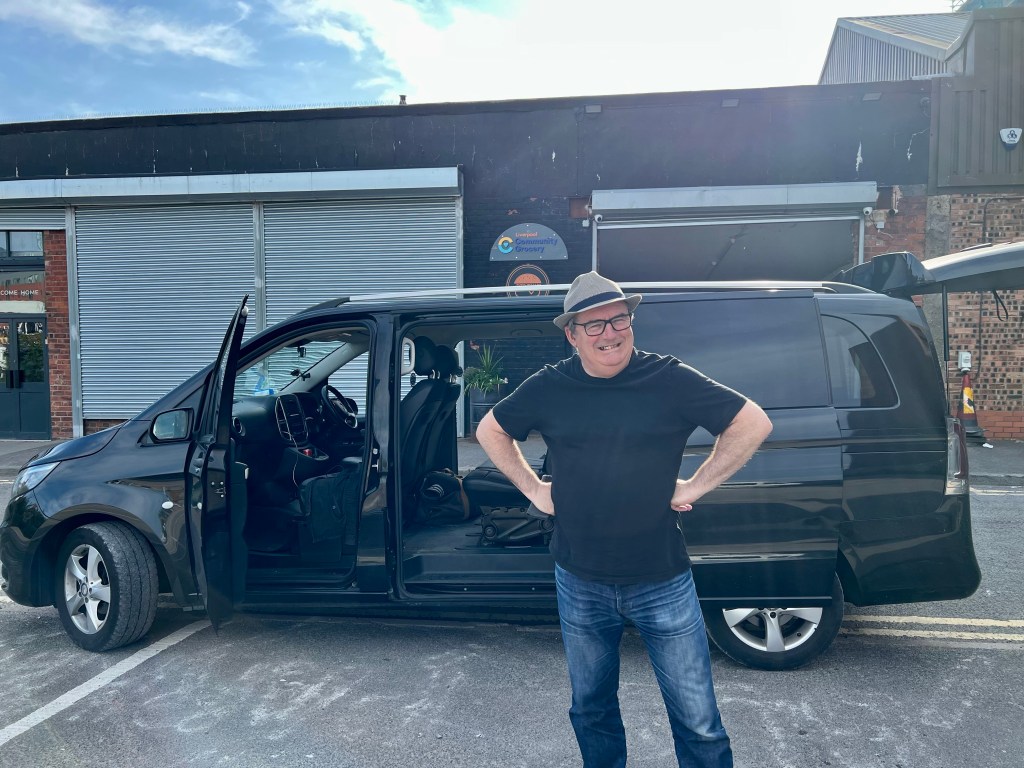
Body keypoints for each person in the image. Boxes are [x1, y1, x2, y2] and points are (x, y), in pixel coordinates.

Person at [475, 271, 772, 768]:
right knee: (591, 709)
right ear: (572, 335)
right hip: (579, 579)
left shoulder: (668, 378)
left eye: (618, 320)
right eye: (594, 325)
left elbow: (751, 421)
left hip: (662, 579)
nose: (609, 333)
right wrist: (534, 490)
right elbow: (491, 429)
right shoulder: (550, 386)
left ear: (631, 322)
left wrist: (695, 485)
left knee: (699, 723)